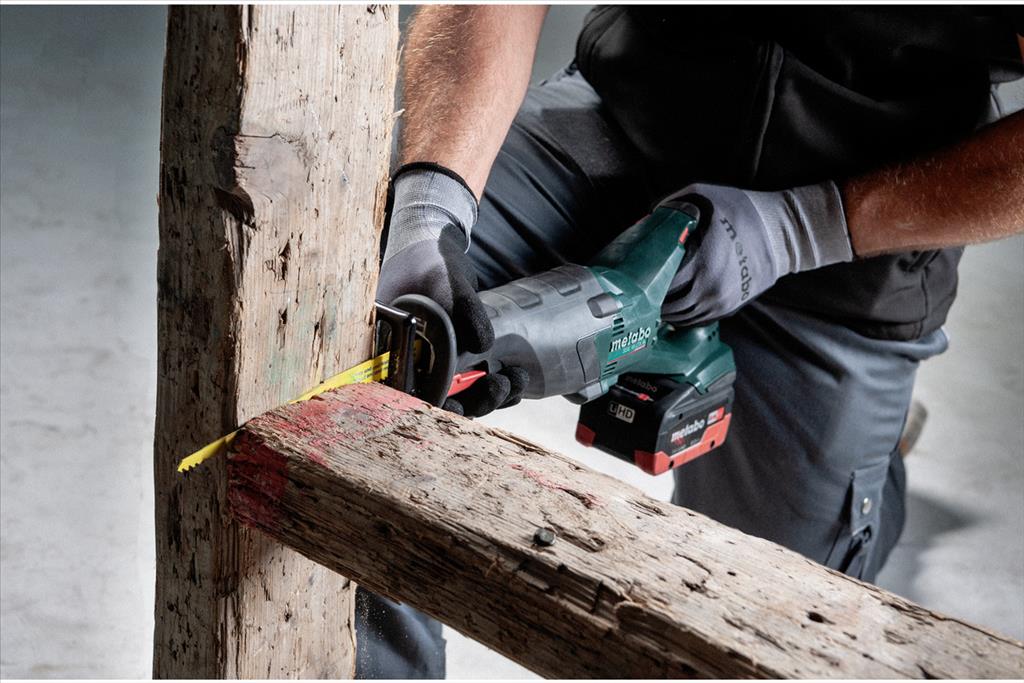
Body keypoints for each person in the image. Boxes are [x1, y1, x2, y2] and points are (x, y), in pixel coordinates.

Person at [357, 6, 1024, 678]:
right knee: (361, 331)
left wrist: (804, 227)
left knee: (771, 621)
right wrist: (431, 209)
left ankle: (868, 478)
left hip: (856, 232)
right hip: (623, 118)